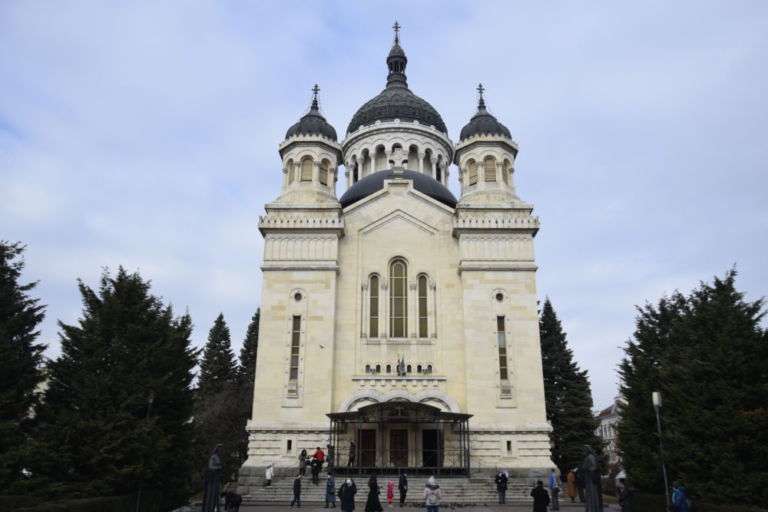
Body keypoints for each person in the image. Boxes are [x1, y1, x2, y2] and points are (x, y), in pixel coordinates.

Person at [202, 444, 223, 512]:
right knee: (212, 495)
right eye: (220, 450)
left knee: (215, 495)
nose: (221, 451)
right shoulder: (214, 457)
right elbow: (210, 467)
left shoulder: (217, 457)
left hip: (216, 478)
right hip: (212, 479)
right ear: (217, 450)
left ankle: (214, 509)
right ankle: (210, 509)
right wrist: (219, 467)